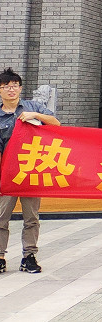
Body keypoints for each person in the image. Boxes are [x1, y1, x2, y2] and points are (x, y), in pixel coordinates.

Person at [0, 67, 60, 274]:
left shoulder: (33, 107)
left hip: (31, 172)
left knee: (31, 217)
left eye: (15, 86)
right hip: (6, 174)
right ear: (0, 90)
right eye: (6, 86)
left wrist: (35, 115)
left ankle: (29, 256)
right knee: (1, 217)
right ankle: (0, 257)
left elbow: (56, 124)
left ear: (20, 88)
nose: (11, 90)